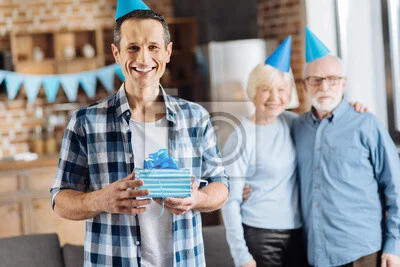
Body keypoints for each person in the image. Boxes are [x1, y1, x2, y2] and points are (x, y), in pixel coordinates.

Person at [50, 1, 229, 266]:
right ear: (116, 53)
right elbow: (60, 199)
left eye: (153, 47)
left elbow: (221, 185)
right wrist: (102, 198)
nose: (143, 59)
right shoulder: (85, 122)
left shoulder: (196, 117)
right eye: (132, 47)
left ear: (168, 52)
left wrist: (197, 198)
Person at [292, 27, 400, 266]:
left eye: (332, 79)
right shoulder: (296, 128)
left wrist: (395, 245)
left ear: (343, 83)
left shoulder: (367, 125)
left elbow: (396, 186)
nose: (324, 87)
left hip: (362, 251)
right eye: (316, 80)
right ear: (305, 84)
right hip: (315, 252)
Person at [221, 36, 307, 267]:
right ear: (253, 91)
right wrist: (241, 255)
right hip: (261, 235)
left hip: (299, 231)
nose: (274, 98)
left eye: (281, 89)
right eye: (265, 89)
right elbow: (230, 202)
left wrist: (356, 109)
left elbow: (328, 124)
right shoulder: (241, 136)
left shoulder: (293, 123)